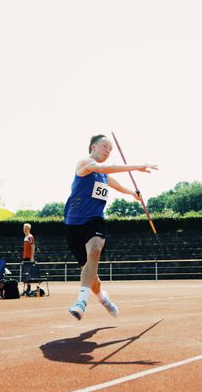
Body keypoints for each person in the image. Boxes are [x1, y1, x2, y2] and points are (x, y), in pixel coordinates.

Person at [65, 134, 157, 320]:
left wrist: (133, 193)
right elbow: (103, 167)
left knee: (95, 250)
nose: (108, 151)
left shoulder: (104, 176)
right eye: (105, 146)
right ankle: (103, 298)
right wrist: (136, 167)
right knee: (92, 277)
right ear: (93, 147)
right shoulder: (85, 163)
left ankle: (81, 302)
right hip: (73, 224)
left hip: (94, 220)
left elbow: (117, 185)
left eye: (111, 149)